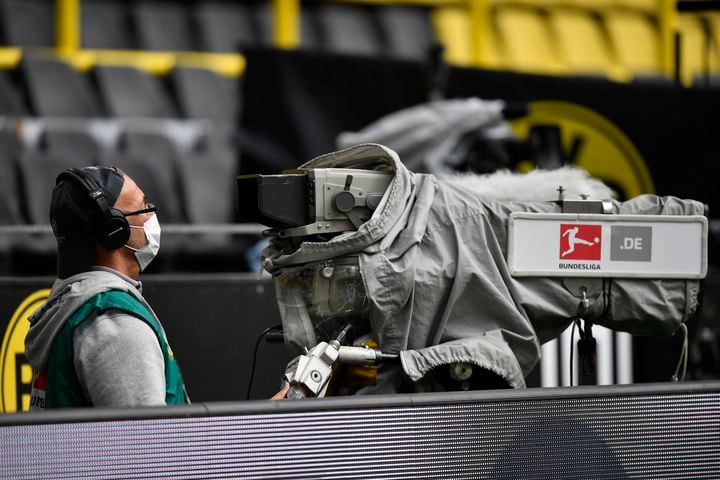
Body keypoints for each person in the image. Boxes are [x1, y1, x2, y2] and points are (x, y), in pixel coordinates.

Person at [24, 166, 189, 409]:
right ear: (115, 230)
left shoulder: (75, 301)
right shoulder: (115, 326)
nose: (151, 216)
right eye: (143, 208)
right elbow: (148, 443)